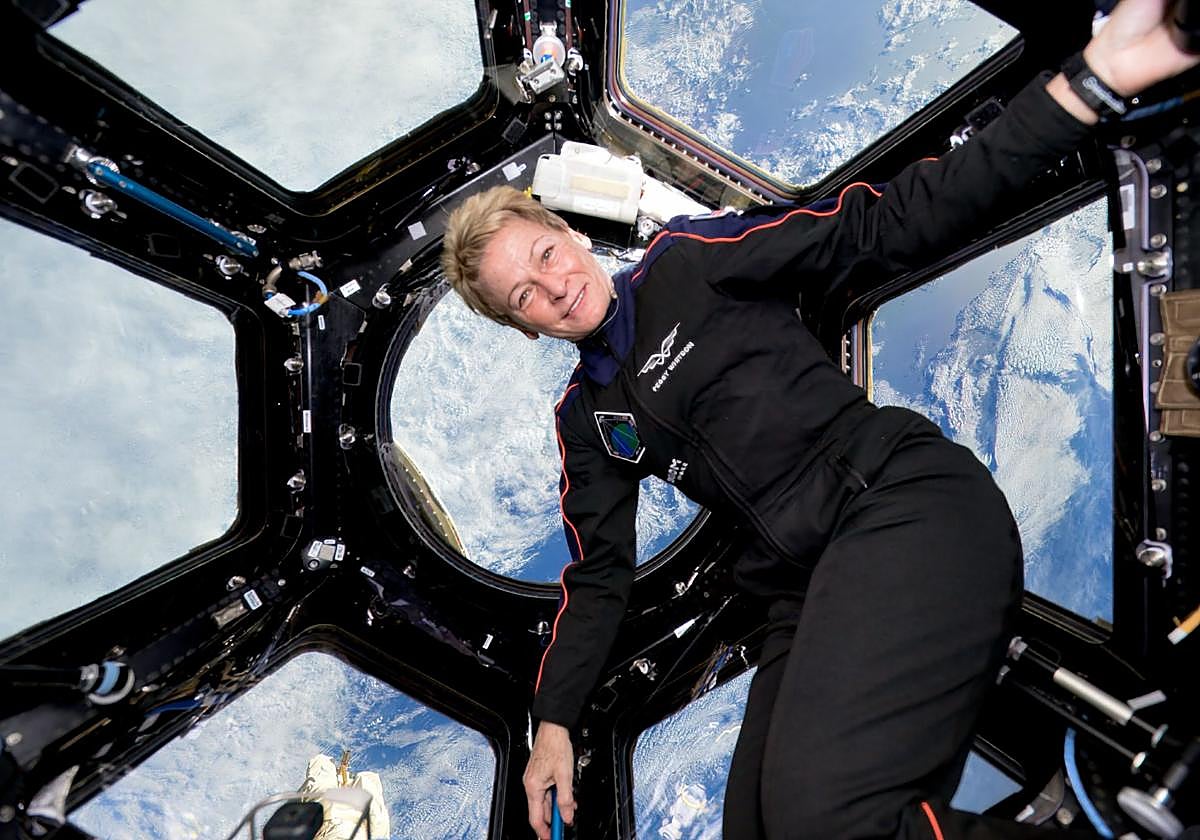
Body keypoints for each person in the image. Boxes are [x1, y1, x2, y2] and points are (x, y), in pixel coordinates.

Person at [441, 2, 1198, 837]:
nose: (554, 287)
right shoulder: (588, 422)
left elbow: (882, 224)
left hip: (897, 505)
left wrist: (1089, 86)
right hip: (802, 592)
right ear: (522, 327)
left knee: (825, 818)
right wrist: (552, 721)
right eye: (524, 295)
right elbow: (599, 578)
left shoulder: (688, 265)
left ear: (566, 233)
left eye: (546, 254)